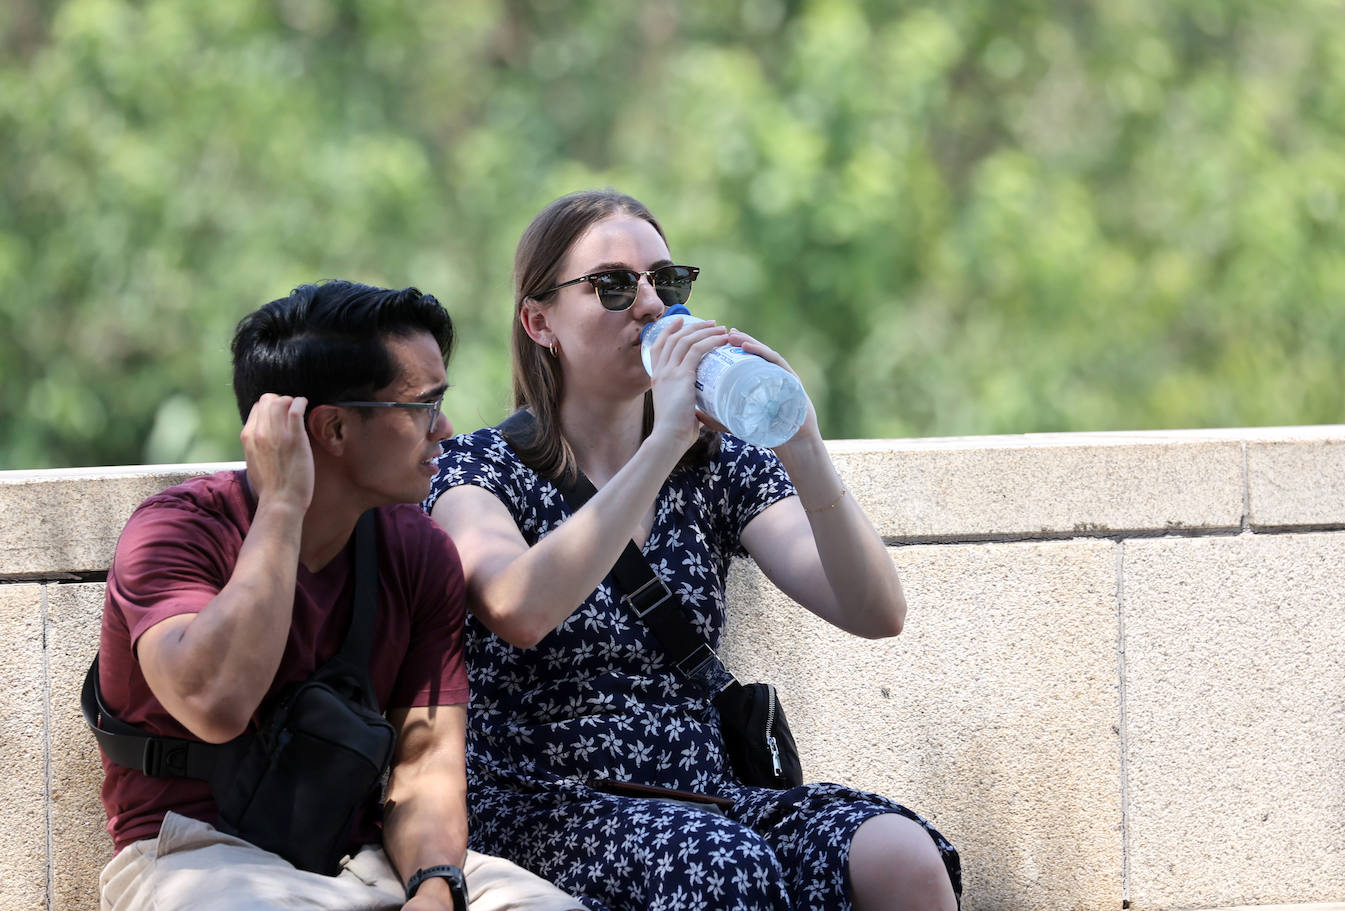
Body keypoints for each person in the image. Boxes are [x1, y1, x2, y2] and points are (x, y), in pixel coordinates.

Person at [423, 191, 962, 911]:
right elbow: (518, 608)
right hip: (545, 806)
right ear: (539, 320)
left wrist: (801, 441)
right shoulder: (478, 468)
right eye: (614, 284)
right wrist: (664, 438)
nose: (649, 303)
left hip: (706, 793)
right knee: (724, 864)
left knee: (900, 854)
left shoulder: (715, 465)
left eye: (665, 280)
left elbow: (876, 610)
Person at [94, 280, 586, 911]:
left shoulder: (418, 550)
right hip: (194, 856)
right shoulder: (175, 533)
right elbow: (215, 704)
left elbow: (427, 758)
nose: (446, 429)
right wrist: (281, 505)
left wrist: (434, 891)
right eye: (422, 407)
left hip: (356, 857)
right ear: (332, 428)